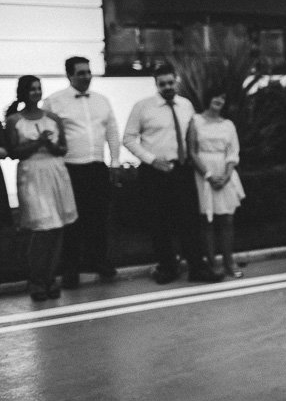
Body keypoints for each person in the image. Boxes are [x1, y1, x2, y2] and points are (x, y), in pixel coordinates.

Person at [122, 64, 222, 285]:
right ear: (156, 84)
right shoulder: (143, 107)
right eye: (162, 84)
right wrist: (151, 160)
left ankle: (197, 267)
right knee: (160, 222)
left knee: (190, 221)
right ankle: (167, 267)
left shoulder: (186, 105)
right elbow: (128, 138)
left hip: (182, 170)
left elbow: (190, 135)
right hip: (155, 172)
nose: (167, 87)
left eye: (170, 82)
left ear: (176, 80)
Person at [43, 56, 120, 289]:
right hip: (70, 167)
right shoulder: (54, 101)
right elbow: (48, 134)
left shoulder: (102, 100)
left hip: (96, 166)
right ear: (69, 75)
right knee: (72, 221)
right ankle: (70, 270)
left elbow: (113, 132)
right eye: (81, 73)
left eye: (88, 72)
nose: (86, 76)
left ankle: (100, 262)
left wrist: (115, 162)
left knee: (98, 218)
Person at [5, 75, 78, 301]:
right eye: (31, 89)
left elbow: (63, 148)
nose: (36, 92)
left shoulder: (53, 117)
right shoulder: (14, 120)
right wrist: (38, 142)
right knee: (40, 229)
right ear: (23, 92)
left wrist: (51, 144)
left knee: (57, 228)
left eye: (38, 88)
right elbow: (13, 151)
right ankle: (36, 279)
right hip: (32, 173)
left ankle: (50, 277)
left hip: (55, 171)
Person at [187, 88, 246, 278]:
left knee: (227, 219)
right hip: (204, 173)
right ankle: (213, 264)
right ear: (207, 98)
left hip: (225, 172)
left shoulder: (228, 125)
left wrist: (227, 175)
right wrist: (209, 175)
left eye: (223, 97)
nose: (219, 100)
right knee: (207, 221)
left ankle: (229, 262)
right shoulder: (195, 121)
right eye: (216, 95)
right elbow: (192, 152)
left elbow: (233, 152)